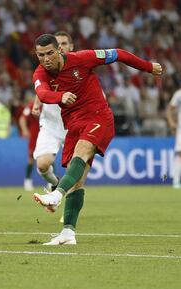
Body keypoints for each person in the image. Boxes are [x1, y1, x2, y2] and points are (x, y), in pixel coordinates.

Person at [32, 34, 162, 245]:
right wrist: (60, 97)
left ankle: (56, 195)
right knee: (77, 180)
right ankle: (68, 233)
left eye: (49, 53)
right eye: (41, 55)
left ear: (59, 51)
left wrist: (147, 67)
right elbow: (43, 93)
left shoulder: (83, 58)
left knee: (82, 150)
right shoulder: (39, 73)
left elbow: (118, 54)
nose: (46, 59)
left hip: (98, 116)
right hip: (73, 126)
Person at [31, 31, 74, 193]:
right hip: (50, 123)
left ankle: (67, 211)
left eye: (64, 43)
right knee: (42, 164)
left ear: (71, 46)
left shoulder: (79, 66)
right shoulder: (45, 68)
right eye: (59, 44)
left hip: (73, 124)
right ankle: (55, 182)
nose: (61, 47)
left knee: (73, 169)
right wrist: (36, 104)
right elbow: (41, 88)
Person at [19, 93, 40, 191]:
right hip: (34, 136)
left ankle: (51, 183)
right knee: (31, 159)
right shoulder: (31, 105)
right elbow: (22, 118)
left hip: (47, 136)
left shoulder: (50, 105)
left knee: (49, 158)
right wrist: (24, 130)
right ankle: (27, 181)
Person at [167, 87, 181, 188]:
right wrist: (171, 122)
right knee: (180, 154)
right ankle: (176, 181)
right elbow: (170, 109)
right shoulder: (179, 94)